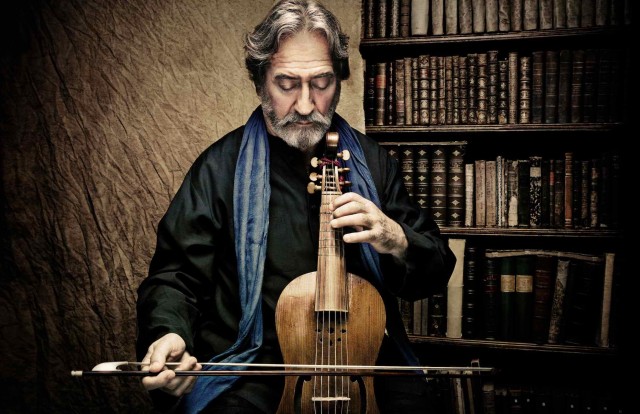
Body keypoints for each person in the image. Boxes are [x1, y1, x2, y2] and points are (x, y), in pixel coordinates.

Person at [136, 1, 456, 412]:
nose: (306, 105)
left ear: (339, 79)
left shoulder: (373, 163)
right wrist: (168, 333)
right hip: (255, 368)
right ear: (259, 81)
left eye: (321, 83)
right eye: (287, 84)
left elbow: (435, 269)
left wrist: (396, 238)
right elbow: (176, 276)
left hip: (362, 362)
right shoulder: (220, 168)